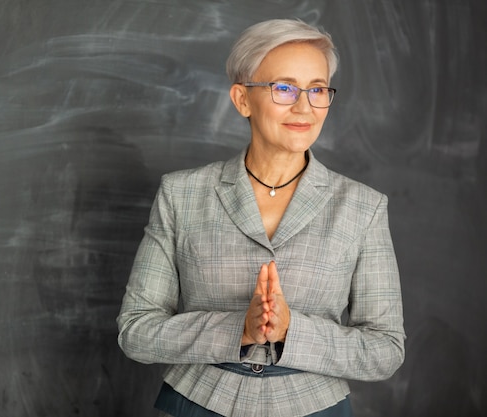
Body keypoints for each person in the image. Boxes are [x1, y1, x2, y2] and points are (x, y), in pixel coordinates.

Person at [117, 19, 405, 417]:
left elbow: (385, 350)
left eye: (317, 89)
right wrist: (238, 328)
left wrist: (292, 332)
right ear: (242, 99)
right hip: (196, 403)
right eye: (284, 88)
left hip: (317, 409)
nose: (304, 107)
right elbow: (136, 332)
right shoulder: (181, 194)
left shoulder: (363, 206)